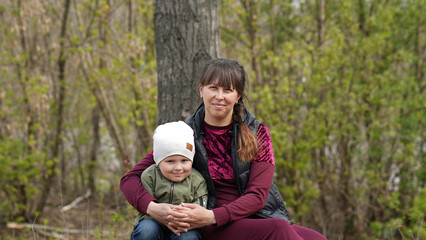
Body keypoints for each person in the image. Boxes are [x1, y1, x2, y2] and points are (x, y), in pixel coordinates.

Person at [121, 58, 327, 240]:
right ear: (201, 90)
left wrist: (212, 216)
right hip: (207, 224)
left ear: (238, 95)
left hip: (245, 216)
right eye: (213, 88)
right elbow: (129, 179)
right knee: (278, 229)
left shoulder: (258, 133)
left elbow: (258, 195)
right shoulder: (184, 134)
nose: (219, 96)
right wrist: (155, 209)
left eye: (227, 90)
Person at [131, 121, 208, 240]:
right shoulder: (150, 176)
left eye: (184, 161)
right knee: (147, 231)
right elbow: (144, 207)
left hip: (184, 225)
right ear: (158, 161)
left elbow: (200, 206)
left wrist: (183, 217)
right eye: (170, 161)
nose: (178, 168)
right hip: (153, 221)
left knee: (189, 237)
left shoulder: (197, 180)